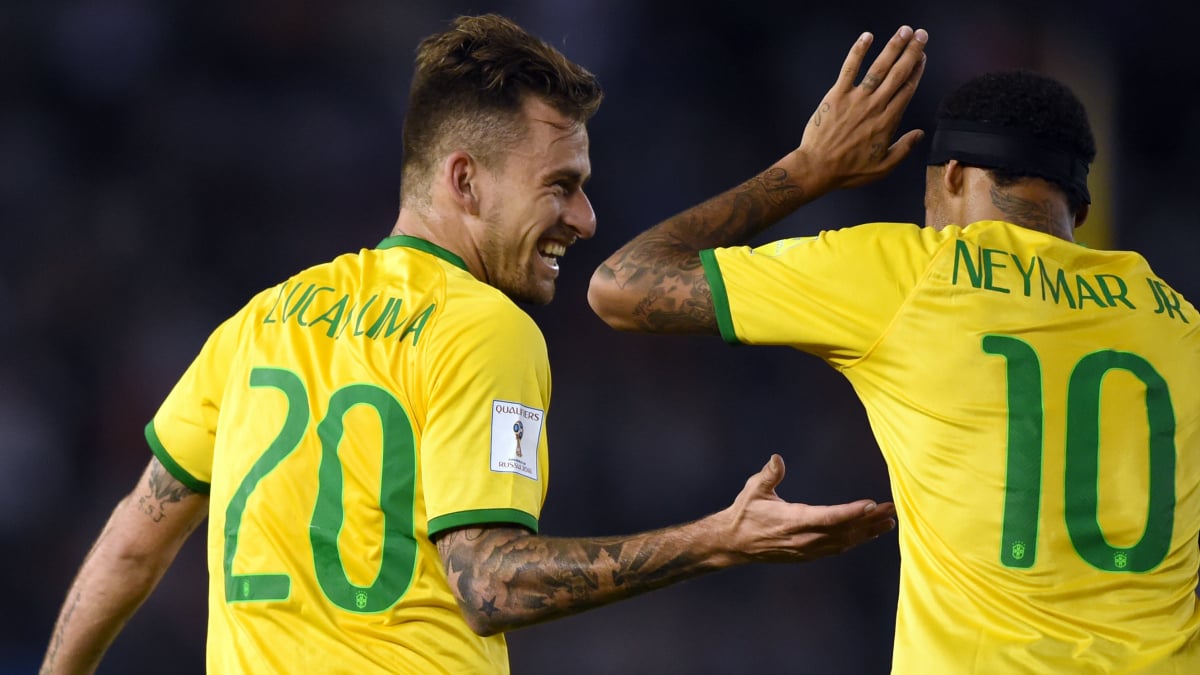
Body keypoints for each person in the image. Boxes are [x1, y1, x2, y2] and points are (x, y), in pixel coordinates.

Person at [39, 14, 904, 675]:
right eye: (560, 186)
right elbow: (491, 583)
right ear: (464, 178)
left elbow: (133, 541)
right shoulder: (483, 328)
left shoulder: (261, 320)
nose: (586, 218)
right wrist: (717, 537)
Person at [588, 22, 1200, 674]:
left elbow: (620, 286)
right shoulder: (1179, 323)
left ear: (956, 177)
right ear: (1075, 211)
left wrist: (807, 170)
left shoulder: (912, 273)